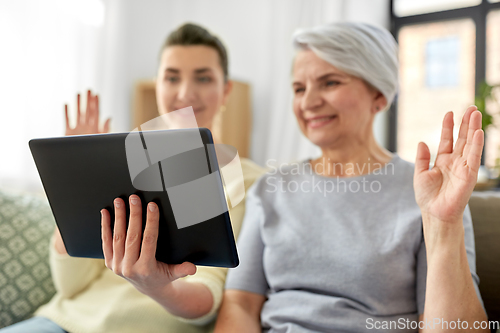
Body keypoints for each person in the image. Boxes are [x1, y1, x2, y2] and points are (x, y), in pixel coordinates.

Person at [212, 22, 488, 332]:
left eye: (330, 83)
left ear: (379, 95)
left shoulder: (432, 195)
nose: (308, 102)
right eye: (299, 88)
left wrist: (444, 225)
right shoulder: (270, 189)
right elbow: (240, 304)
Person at [0, 23, 265, 333]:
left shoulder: (249, 181)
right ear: (158, 85)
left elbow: (209, 300)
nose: (184, 92)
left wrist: (156, 286)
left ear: (226, 90)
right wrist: (75, 188)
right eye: (172, 77)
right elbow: (71, 286)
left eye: (203, 77)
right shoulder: (124, 161)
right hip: (59, 322)